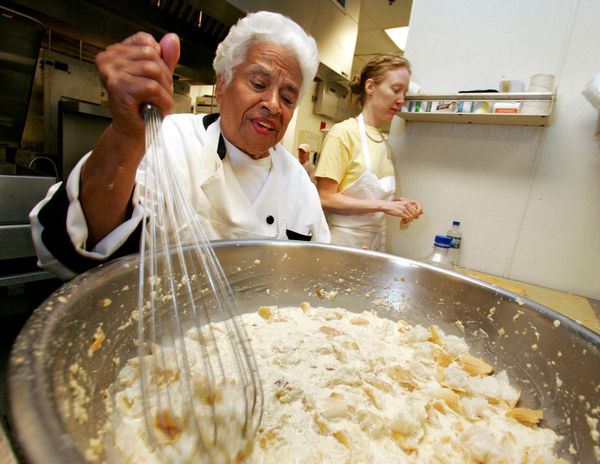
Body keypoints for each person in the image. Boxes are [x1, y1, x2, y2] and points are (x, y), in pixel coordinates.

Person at [29, 11, 330, 280]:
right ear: (222, 85)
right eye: (258, 84)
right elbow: (75, 244)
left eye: (288, 98)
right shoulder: (166, 141)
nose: (274, 105)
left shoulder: (299, 185)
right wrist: (126, 133)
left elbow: (315, 275)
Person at [314, 54, 423, 251]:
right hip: (342, 244)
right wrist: (384, 206)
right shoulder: (343, 133)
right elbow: (326, 198)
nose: (401, 100)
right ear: (370, 87)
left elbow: (369, 200)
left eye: (404, 93)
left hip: (373, 243)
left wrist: (399, 204)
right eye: (396, 90)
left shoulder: (383, 142)